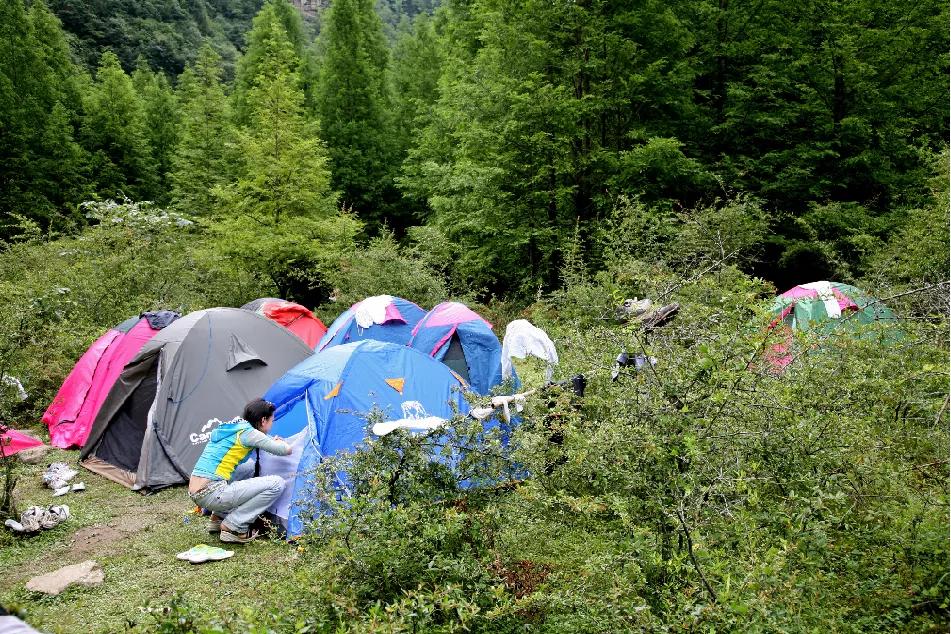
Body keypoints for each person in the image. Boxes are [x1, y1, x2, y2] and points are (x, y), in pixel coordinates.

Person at [188, 398, 291, 543]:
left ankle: (218, 517)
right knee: (277, 483)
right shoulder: (250, 433)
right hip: (212, 493)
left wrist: (268, 439)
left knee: (248, 467)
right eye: (271, 421)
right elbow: (285, 450)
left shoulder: (235, 427)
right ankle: (234, 526)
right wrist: (281, 442)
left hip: (196, 490)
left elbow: (254, 442)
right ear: (263, 420)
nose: (271, 425)